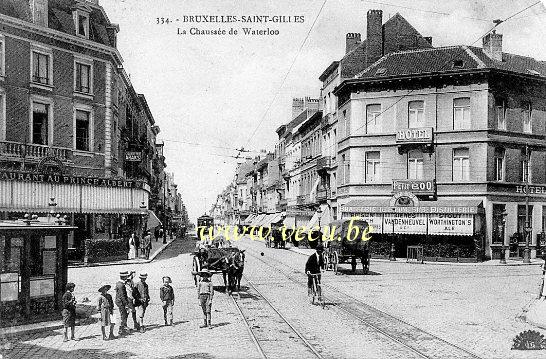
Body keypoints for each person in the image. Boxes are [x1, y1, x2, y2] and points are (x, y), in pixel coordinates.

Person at [114, 271, 130, 336]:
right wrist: (126, 304)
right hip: (121, 302)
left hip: (119, 301)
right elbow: (122, 296)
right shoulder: (121, 285)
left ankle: (123, 327)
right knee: (124, 315)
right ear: (124, 277)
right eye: (126, 276)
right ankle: (121, 330)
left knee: (124, 314)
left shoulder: (119, 283)